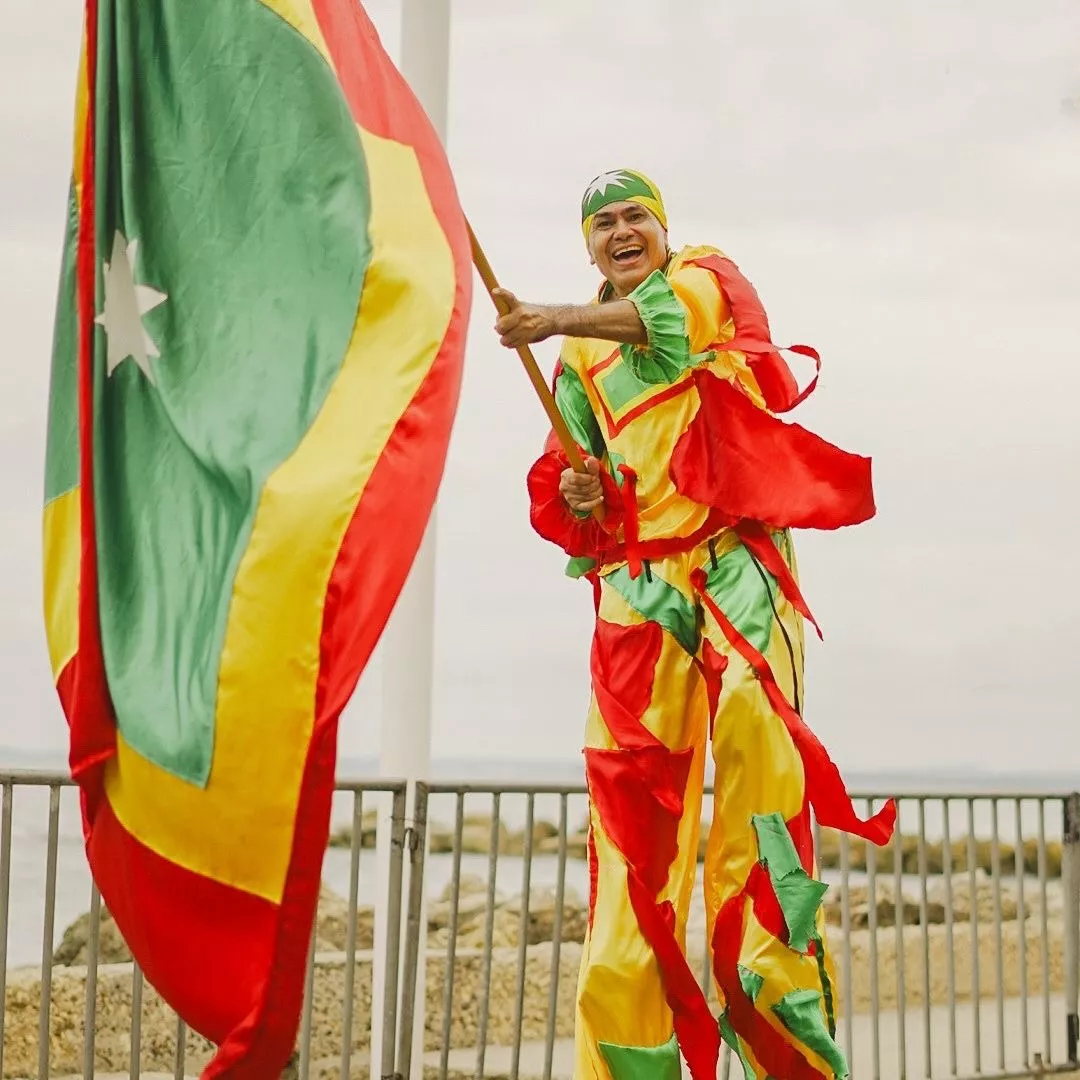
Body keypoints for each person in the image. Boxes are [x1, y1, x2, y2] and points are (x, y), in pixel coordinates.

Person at [493, 169, 896, 1080]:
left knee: (761, 786)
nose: (621, 230)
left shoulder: (705, 277)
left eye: (636, 215)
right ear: (589, 245)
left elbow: (669, 328)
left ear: (664, 228)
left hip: (735, 564)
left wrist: (556, 316)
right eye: (603, 222)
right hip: (641, 591)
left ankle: (785, 1058)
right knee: (630, 843)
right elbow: (573, 471)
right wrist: (581, 487)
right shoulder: (574, 361)